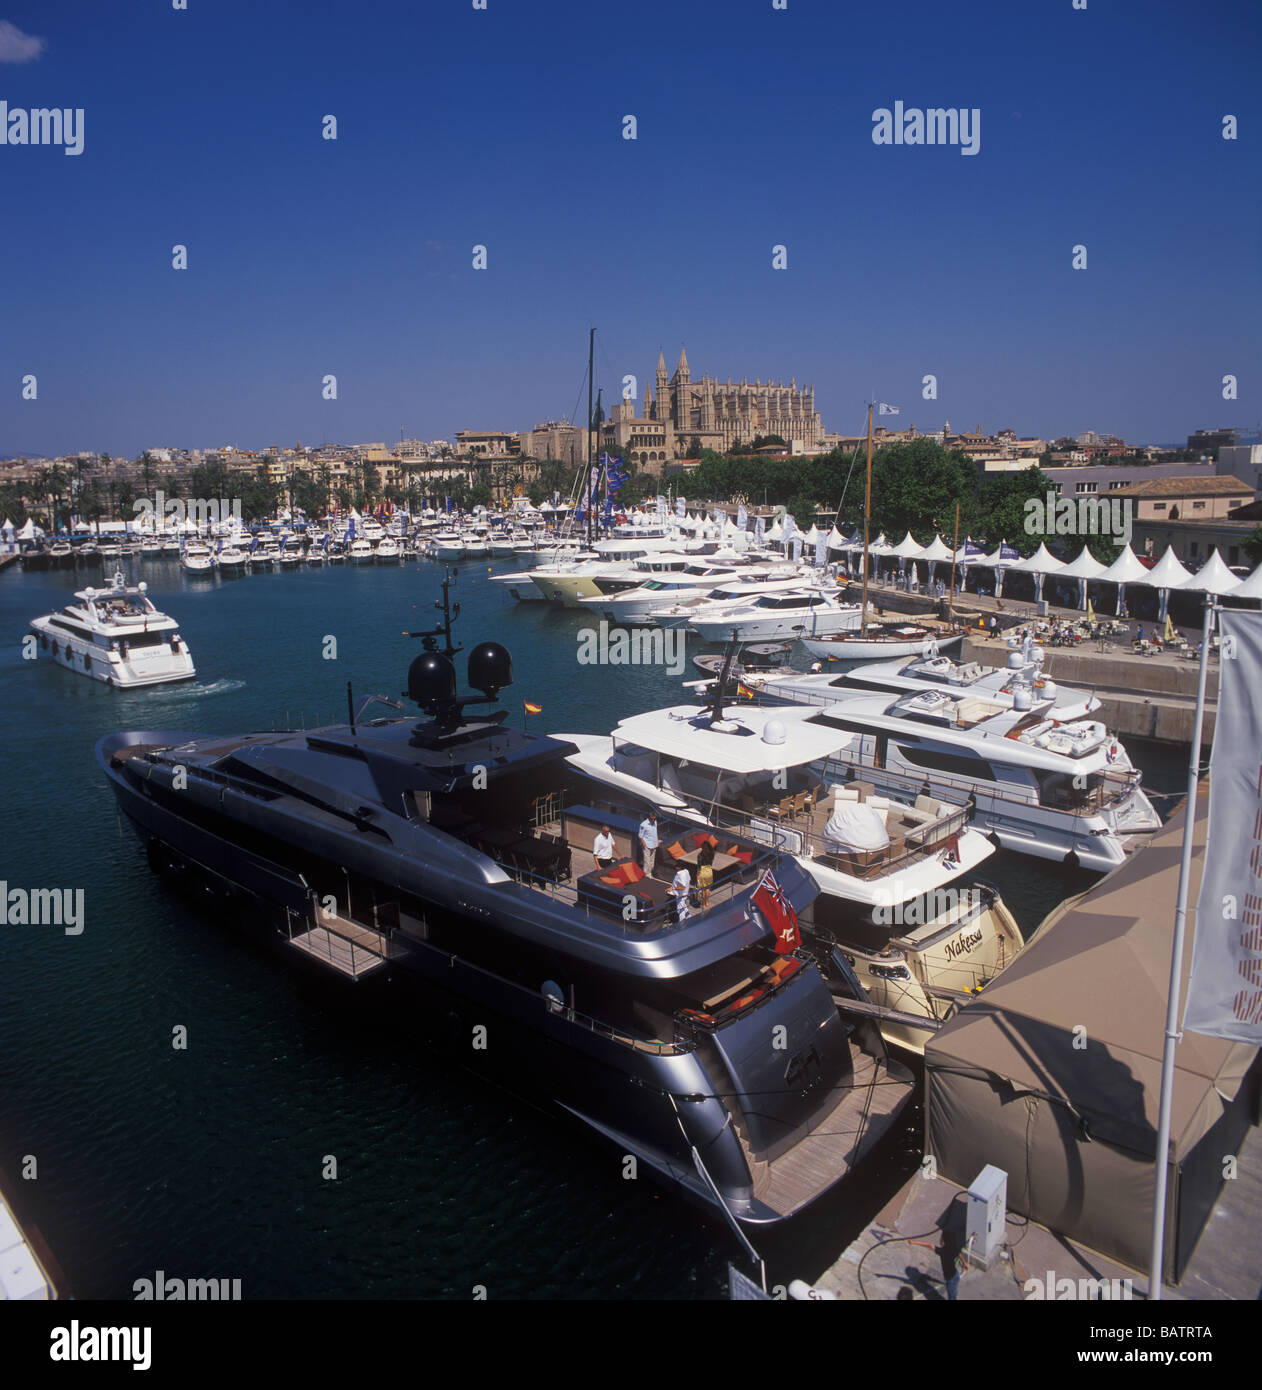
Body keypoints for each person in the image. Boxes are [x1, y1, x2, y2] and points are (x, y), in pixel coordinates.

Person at [696, 841, 715, 910]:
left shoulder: (700, 855)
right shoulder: (712, 853)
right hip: (709, 870)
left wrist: (697, 875)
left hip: (702, 871)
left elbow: (699, 866)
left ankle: (703, 903)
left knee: (703, 889)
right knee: (707, 888)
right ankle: (707, 902)